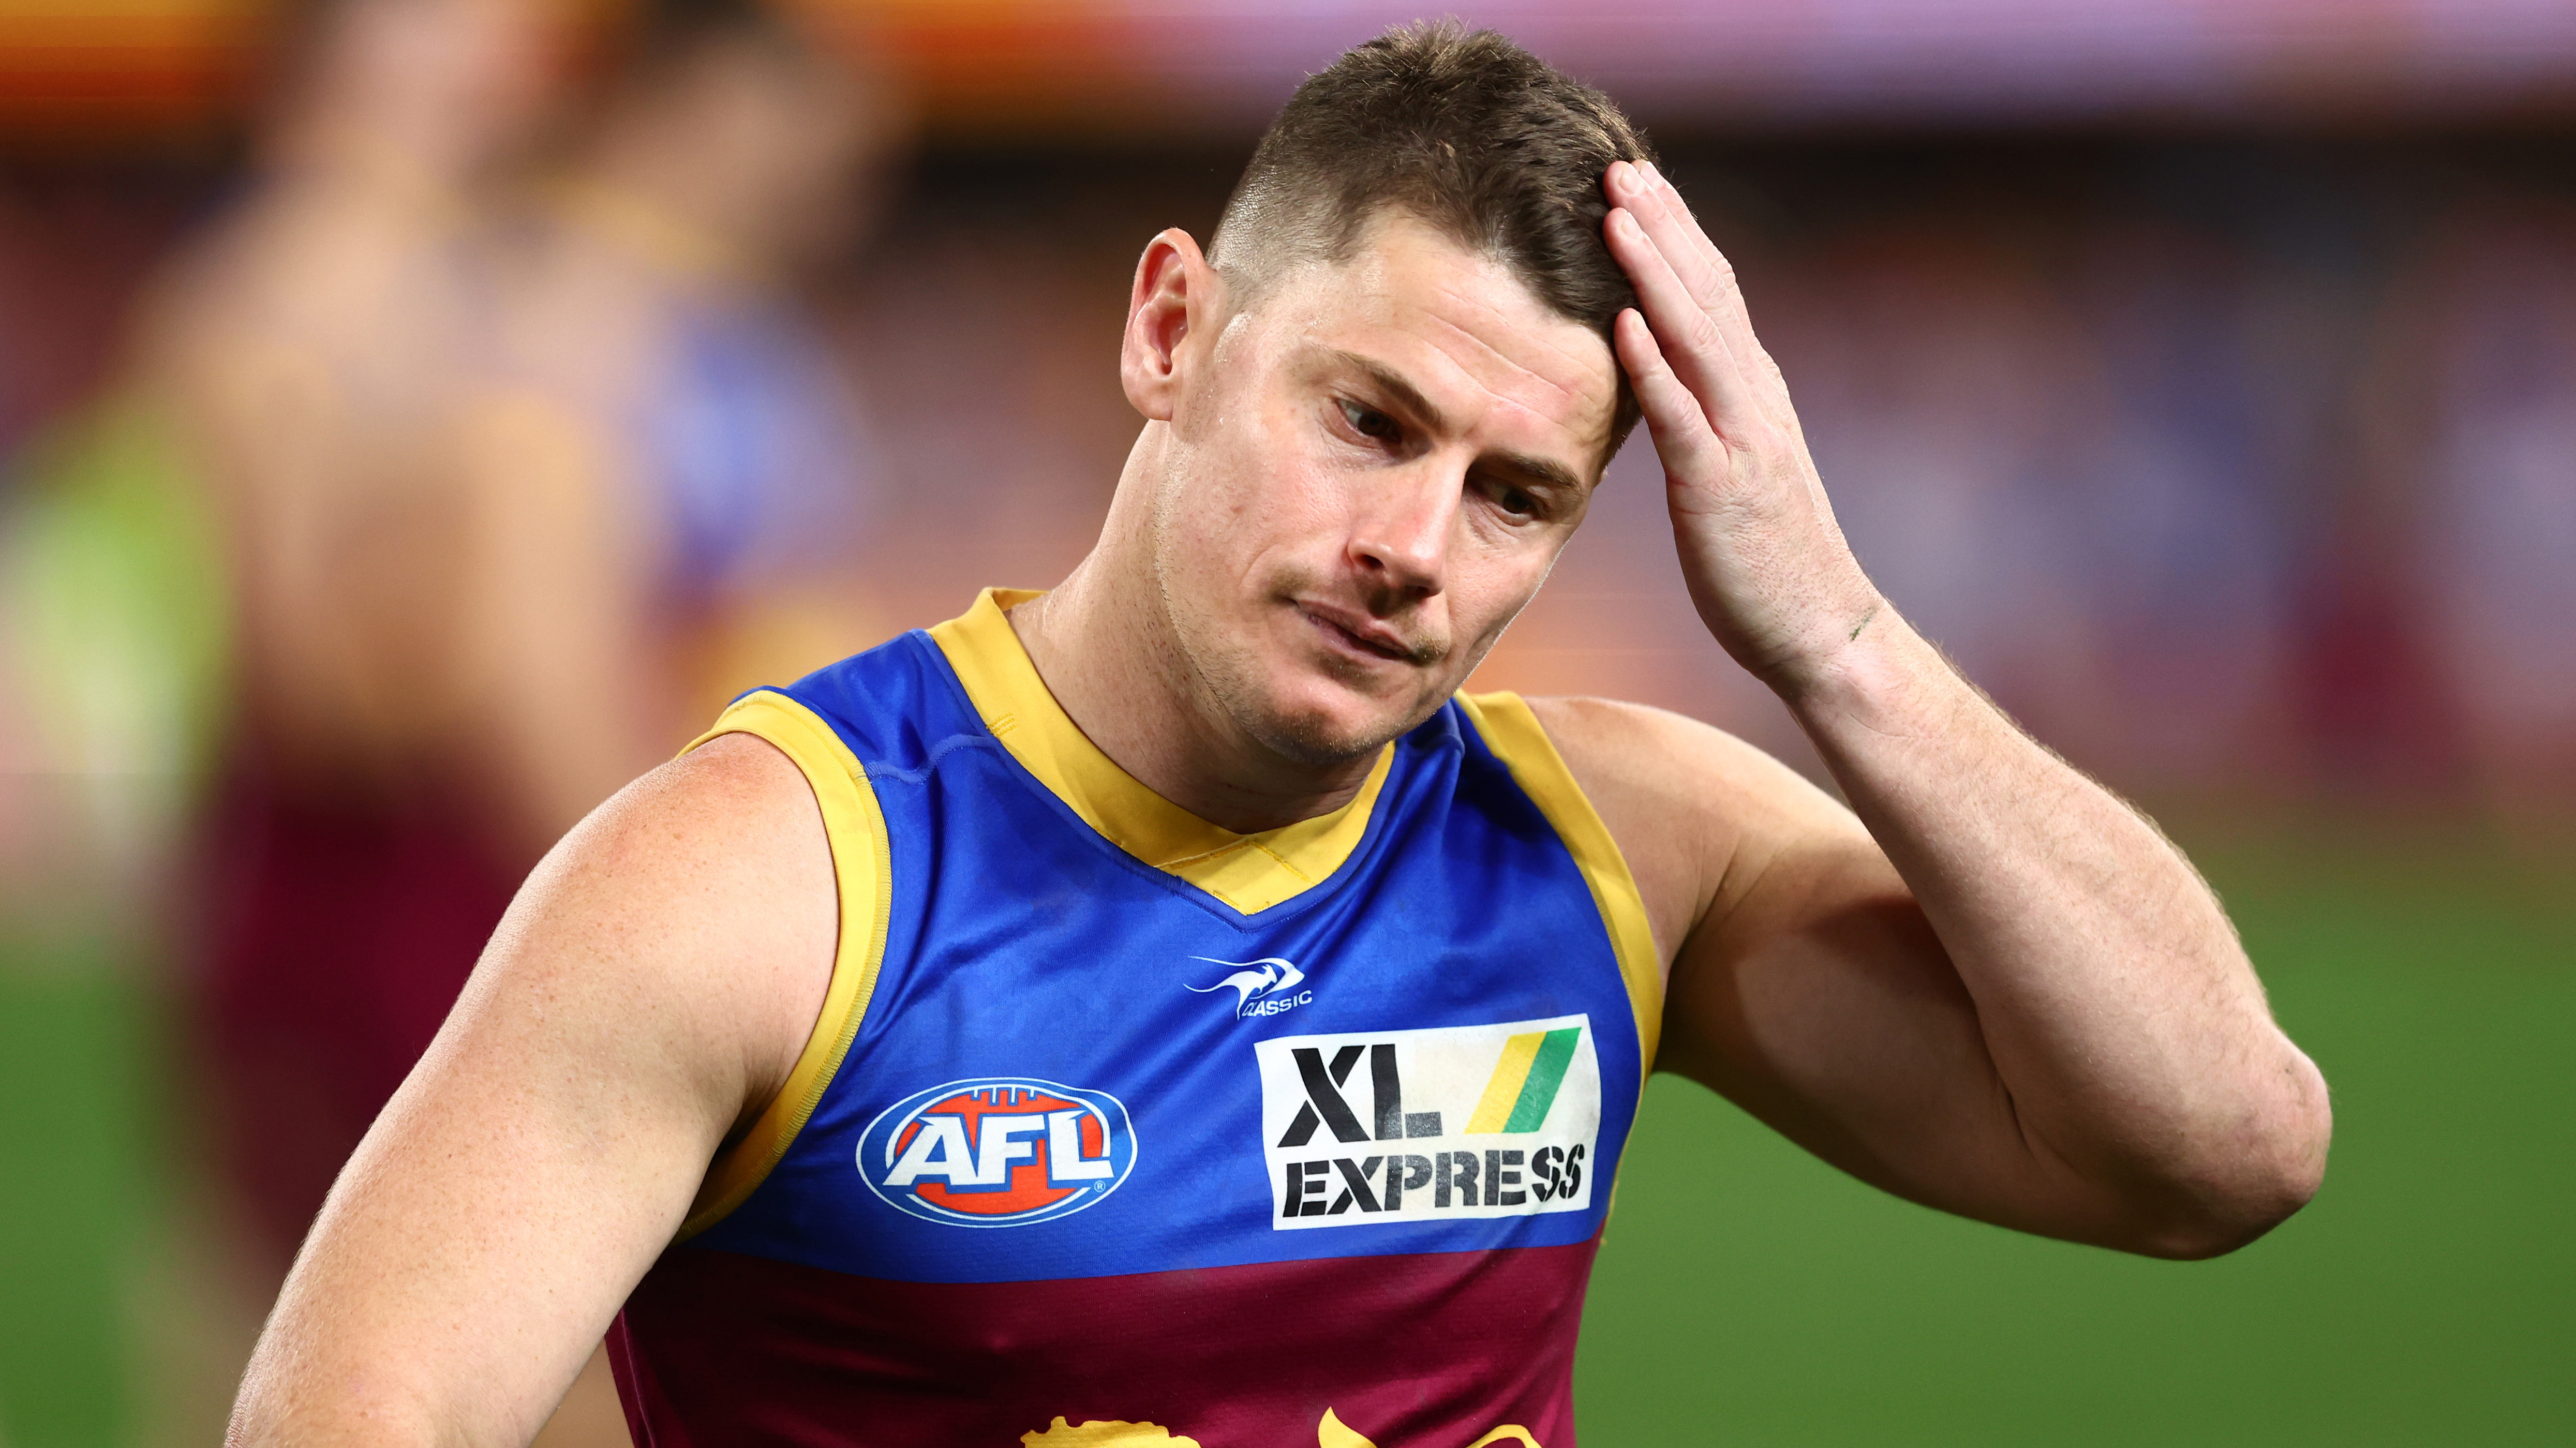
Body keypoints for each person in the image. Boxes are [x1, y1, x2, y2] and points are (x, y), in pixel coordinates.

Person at [228, 23, 2330, 1446]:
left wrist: (1842, 637)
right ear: (1172, 332)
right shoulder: (768, 879)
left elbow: (2222, 1151)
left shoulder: (1613, 850)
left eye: (1516, 495)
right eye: (1371, 421)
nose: (1415, 546)